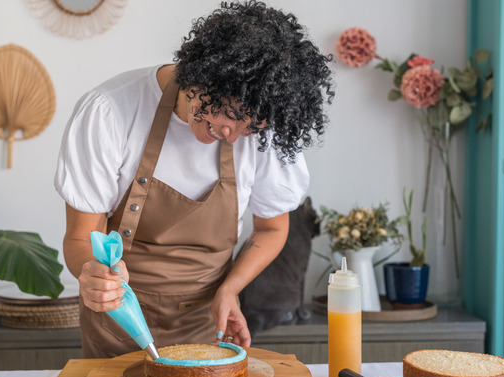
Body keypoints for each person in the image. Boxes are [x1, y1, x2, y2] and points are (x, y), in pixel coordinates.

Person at [54, 0, 334, 358]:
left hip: (205, 327)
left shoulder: (256, 137)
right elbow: (80, 236)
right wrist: (91, 274)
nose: (234, 136)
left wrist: (231, 289)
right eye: (232, 114)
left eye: (251, 127)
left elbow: (272, 229)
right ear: (207, 74)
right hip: (116, 322)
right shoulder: (111, 111)